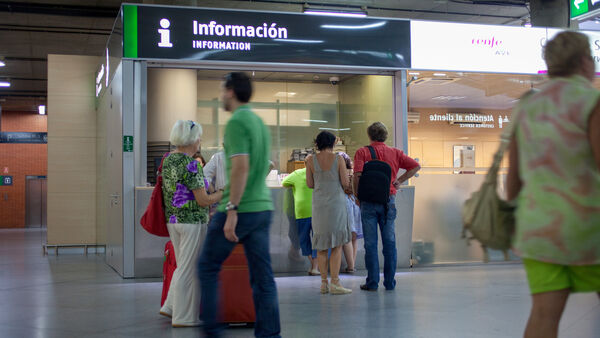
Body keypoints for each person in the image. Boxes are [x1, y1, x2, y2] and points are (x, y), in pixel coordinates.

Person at [506, 31, 600, 338]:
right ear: (585, 61)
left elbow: (513, 178)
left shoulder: (527, 106)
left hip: (539, 229)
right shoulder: (591, 100)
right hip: (588, 227)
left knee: (544, 314)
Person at [198, 72, 281, 337]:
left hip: (239, 210)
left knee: (208, 267)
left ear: (231, 91)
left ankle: (212, 331)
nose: (221, 96)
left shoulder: (236, 122)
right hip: (262, 209)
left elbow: (240, 167)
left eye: (223, 90)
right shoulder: (258, 122)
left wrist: (232, 209)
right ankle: (270, 334)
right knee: (262, 277)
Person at [159, 120, 223, 327]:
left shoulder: (168, 160)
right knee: (189, 269)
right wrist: (223, 193)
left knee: (182, 265)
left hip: (174, 220)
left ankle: (170, 306)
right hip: (193, 222)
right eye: (199, 138)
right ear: (192, 139)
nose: (200, 142)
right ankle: (185, 317)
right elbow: (203, 200)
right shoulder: (192, 164)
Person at [354, 122, 420, 291]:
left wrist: (357, 196)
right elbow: (415, 166)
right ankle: (390, 282)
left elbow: (357, 176)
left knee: (370, 244)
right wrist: (399, 181)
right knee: (389, 242)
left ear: (369, 135)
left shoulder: (362, 152)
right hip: (388, 201)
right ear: (386, 136)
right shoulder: (396, 153)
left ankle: (372, 282)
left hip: (368, 202)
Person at [305, 131, 352, 295]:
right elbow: (345, 183)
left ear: (317, 143)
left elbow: (310, 184)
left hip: (319, 206)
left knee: (321, 246)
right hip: (336, 205)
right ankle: (335, 283)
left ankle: (324, 283)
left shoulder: (310, 160)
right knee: (337, 245)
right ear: (333, 143)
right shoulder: (338, 159)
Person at [282, 167, 319, 275]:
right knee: (317, 239)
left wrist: (294, 186)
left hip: (302, 211)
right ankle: (315, 266)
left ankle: (313, 265)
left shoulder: (297, 174)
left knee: (303, 239)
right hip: (317, 210)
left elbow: (284, 183)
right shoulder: (319, 172)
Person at [338, 152, 362, 273]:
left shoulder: (338, 174)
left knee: (346, 236)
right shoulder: (353, 173)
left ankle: (351, 266)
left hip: (344, 203)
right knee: (354, 236)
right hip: (356, 204)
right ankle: (352, 264)